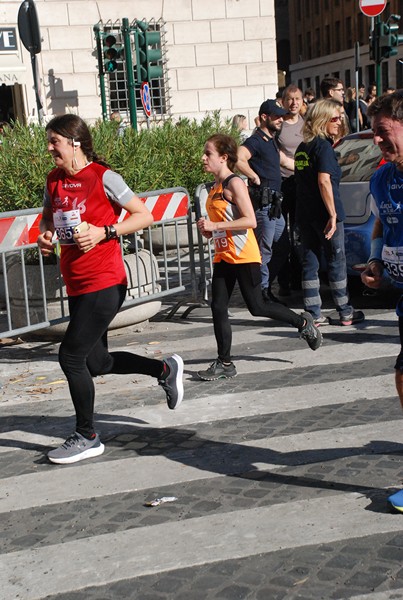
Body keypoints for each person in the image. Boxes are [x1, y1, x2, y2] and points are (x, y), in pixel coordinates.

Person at [37, 114, 184, 465]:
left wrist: (106, 231)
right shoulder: (54, 180)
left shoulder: (105, 177)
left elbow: (143, 215)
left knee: (70, 358)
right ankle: (164, 370)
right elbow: (47, 217)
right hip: (77, 282)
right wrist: (45, 237)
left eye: (54, 141)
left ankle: (87, 436)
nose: (49, 148)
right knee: (97, 363)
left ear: (74, 142)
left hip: (106, 282)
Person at [196, 134, 322, 381]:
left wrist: (215, 225)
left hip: (244, 255)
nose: (203, 157)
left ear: (223, 158)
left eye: (208, 153)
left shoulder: (235, 184)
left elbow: (250, 221)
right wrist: (209, 231)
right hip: (224, 256)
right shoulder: (213, 188)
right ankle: (225, 362)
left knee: (257, 306)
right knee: (218, 306)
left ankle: (303, 323)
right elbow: (222, 224)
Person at [359, 91, 403, 512]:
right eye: (374, 133)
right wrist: (375, 260)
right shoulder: (382, 178)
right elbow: (380, 222)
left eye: (384, 132)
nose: (377, 140)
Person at [294, 99, 365, 327]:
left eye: (341, 117)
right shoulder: (323, 147)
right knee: (336, 261)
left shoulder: (302, 148)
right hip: (325, 214)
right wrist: (333, 215)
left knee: (310, 263)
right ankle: (345, 311)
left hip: (305, 214)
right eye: (335, 118)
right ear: (323, 120)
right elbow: (324, 181)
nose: (339, 122)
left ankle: (313, 314)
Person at [236, 99, 294, 304]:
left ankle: (264, 286)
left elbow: (285, 162)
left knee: (281, 247)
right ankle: (260, 293)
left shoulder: (271, 140)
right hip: (264, 204)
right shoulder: (256, 140)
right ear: (264, 117)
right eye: (276, 116)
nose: (281, 120)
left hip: (275, 205)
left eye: (281, 116)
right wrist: (253, 176)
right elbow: (238, 157)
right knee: (264, 250)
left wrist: (307, 168)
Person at [275, 85, 305, 296]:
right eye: (290, 99)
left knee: (298, 233)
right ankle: (283, 279)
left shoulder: (307, 124)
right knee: (280, 234)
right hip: (281, 184)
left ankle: (298, 278)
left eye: (297, 98)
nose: (294, 102)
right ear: (283, 102)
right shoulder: (278, 125)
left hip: (301, 184)